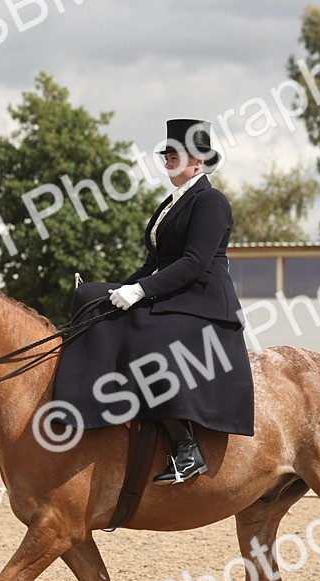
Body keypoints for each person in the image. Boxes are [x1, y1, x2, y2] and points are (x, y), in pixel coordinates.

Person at [53, 118, 254, 485]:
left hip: (204, 303)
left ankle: (186, 449)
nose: (168, 163)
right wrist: (117, 289)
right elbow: (152, 264)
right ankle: (85, 406)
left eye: (174, 157)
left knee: (146, 338)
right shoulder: (170, 203)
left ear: (198, 160)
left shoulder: (211, 201)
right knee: (89, 298)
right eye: (166, 157)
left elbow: (194, 263)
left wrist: (140, 291)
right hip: (173, 295)